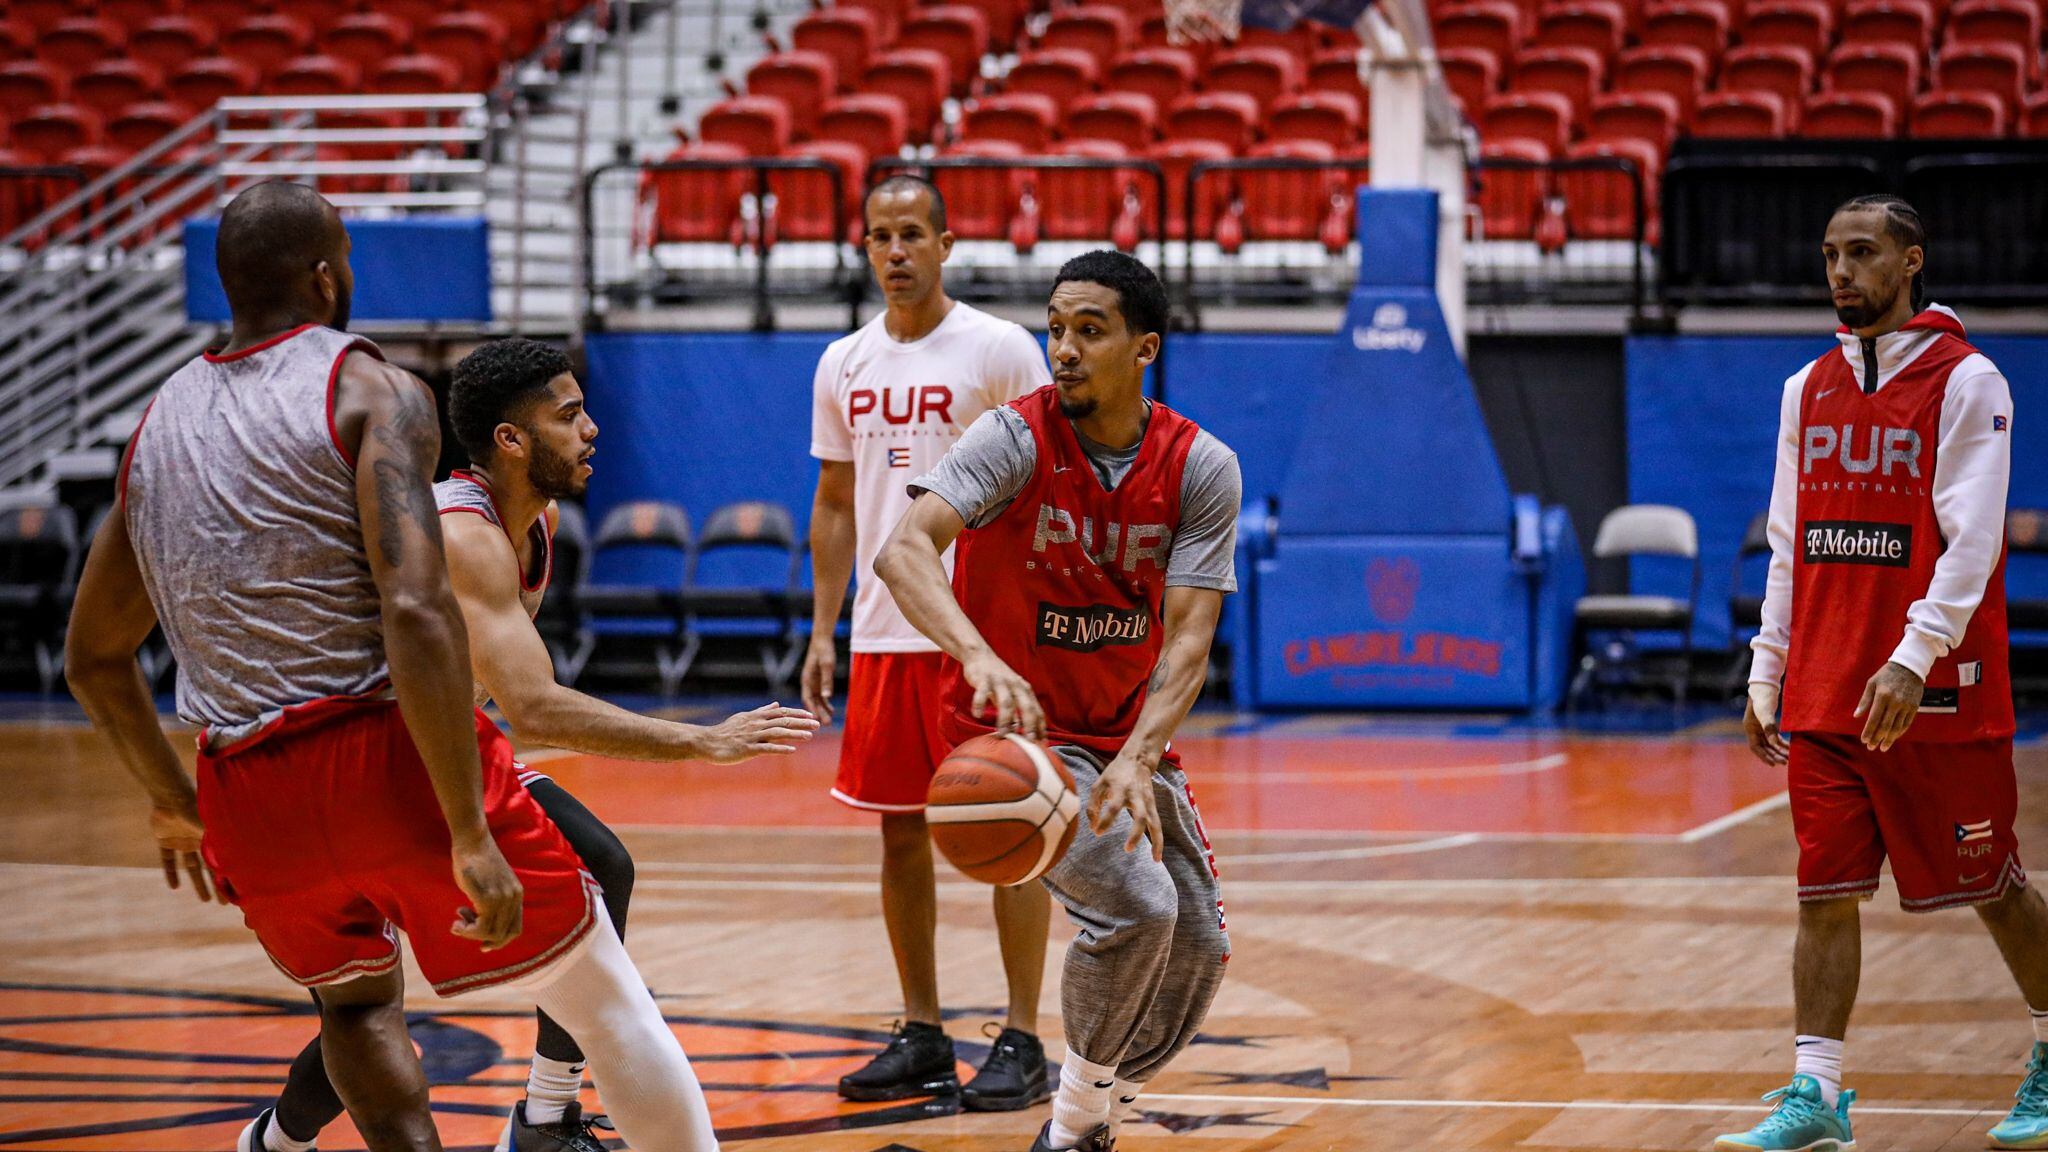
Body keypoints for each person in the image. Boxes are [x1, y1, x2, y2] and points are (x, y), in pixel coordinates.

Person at [62, 181, 728, 1152]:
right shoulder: (371, 389)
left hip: (242, 782)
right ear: (327, 277)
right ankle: (548, 1120)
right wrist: (467, 828)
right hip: (382, 754)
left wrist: (174, 802)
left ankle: (285, 1142)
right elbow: (415, 610)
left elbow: (92, 658)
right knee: (609, 1003)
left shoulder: (155, 427)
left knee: (358, 1010)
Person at [244, 337, 819, 1152]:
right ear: (510, 440)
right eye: (570, 415)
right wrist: (701, 743)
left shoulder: (534, 520)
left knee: (600, 866)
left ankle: (546, 1118)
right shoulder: (463, 535)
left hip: (435, 749)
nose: (591, 429)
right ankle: (275, 1144)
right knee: (368, 1013)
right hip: (346, 771)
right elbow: (536, 708)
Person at [875, 250, 1240, 1152]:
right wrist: (976, 654)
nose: (1065, 348)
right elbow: (903, 551)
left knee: (1198, 944)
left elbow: (1190, 636)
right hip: (1018, 737)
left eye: (1090, 330)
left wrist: (1140, 756)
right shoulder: (1013, 437)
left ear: (1144, 347)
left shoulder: (1201, 466)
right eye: (1056, 328)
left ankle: (1095, 1105)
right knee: (1137, 909)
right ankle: (1072, 1130)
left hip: (1122, 737)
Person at [1722, 194, 2048, 1152]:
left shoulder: (1968, 379)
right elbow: (1790, 542)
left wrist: (1913, 657)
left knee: (1993, 885)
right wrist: (1767, 669)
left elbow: (1974, 541)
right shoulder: (1805, 388)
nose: (1840, 272)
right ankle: (1816, 1092)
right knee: (1822, 892)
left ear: (1911, 261)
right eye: (1830, 254)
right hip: (1827, 692)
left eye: (1862, 252)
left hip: (1937, 693)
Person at [804, 174, 1056, 1109]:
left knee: (1014, 825)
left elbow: (1050, 484)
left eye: (913, 233)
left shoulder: (1000, 348)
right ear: (865, 248)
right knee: (899, 834)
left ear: (947, 244)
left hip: (979, 634)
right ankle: (921, 1032)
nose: (897, 250)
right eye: (881, 236)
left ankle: (1023, 1038)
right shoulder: (843, 362)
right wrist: (824, 626)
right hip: (881, 633)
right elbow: (836, 504)